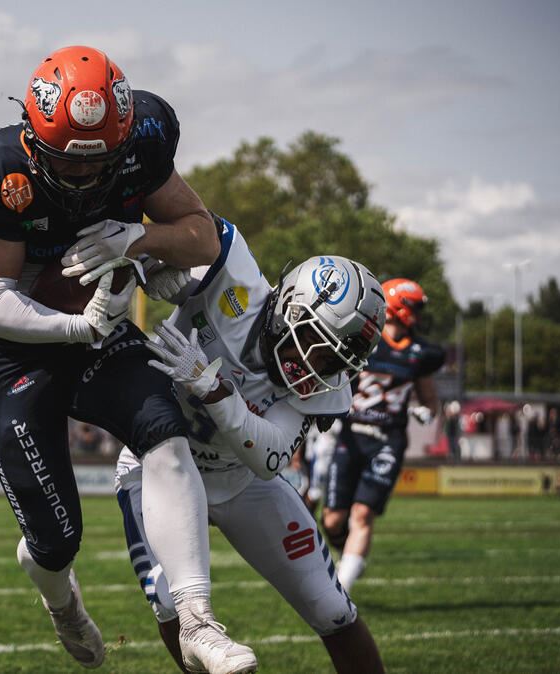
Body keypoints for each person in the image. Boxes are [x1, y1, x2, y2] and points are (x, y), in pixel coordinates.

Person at [0, 45, 257, 672]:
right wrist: (76, 324)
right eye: (68, 162)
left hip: (100, 332)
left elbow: (201, 232)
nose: (85, 179)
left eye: (99, 164)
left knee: (165, 433)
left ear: (122, 138)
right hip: (19, 354)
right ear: (32, 138)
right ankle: (62, 605)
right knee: (57, 542)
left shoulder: (144, 137)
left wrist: (139, 241)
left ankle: (197, 620)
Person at [115, 219, 387, 673]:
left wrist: (216, 391)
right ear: (293, 311)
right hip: (158, 464)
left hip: (242, 482)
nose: (319, 370)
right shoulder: (235, 282)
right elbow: (186, 226)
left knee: (332, 609)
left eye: (337, 361)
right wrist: (153, 259)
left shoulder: (323, 386)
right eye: (320, 350)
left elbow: (269, 458)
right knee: (170, 603)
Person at [322, 278, 443, 593]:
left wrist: (427, 412)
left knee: (362, 513)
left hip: (388, 439)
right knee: (333, 520)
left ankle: (341, 591)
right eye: (413, 307)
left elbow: (430, 399)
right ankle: (347, 553)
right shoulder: (364, 339)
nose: (417, 315)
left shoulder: (419, 352)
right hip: (351, 435)